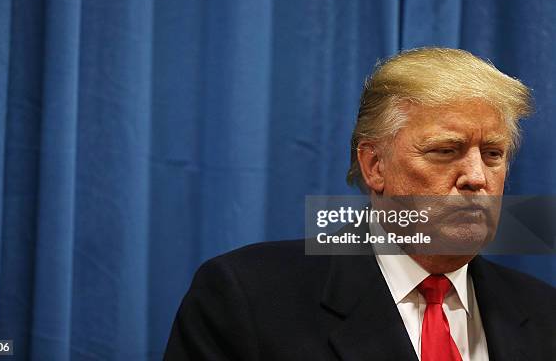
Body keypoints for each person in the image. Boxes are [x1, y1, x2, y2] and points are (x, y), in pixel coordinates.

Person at [164, 48, 556, 360]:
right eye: (445, 150)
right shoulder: (247, 297)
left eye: (492, 154)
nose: (476, 177)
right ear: (374, 165)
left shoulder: (543, 313)